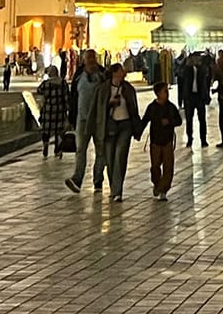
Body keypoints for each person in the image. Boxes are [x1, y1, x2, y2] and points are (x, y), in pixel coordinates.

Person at [66, 50, 111, 194]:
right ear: (83, 60)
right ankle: (77, 179)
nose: (91, 60)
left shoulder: (103, 75)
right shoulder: (79, 75)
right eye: (88, 58)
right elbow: (73, 96)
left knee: (101, 151)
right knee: (80, 150)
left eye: (93, 57)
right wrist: (71, 117)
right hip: (82, 119)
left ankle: (98, 180)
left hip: (99, 119)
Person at [101, 62, 142, 202]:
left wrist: (137, 126)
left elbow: (134, 108)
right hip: (109, 126)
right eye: (120, 71)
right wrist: (110, 103)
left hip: (125, 124)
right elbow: (99, 108)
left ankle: (118, 190)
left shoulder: (128, 89)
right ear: (114, 73)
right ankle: (113, 187)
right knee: (110, 158)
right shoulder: (104, 89)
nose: (123, 72)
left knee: (120, 156)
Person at [143, 80, 185, 199]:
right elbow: (145, 120)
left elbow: (179, 121)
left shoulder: (171, 107)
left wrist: (170, 121)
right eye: (164, 91)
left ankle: (163, 189)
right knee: (155, 166)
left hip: (168, 140)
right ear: (158, 93)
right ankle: (157, 184)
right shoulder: (152, 107)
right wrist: (137, 132)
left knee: (168, 166)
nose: (167, 93)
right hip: (155, 141)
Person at [175, 50, 210, 148]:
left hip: (199, 97)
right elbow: (179, 73)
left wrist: (200, 66)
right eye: (194, 58)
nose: (196, 60)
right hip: (189, 97)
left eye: (198, 58)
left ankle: (203, 139)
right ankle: (189, 139)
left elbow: (207, 74)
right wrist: (186, 65)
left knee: (202, 119)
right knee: (189, 119)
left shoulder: (202, 68)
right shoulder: (186, 68)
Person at [37, 62, 70, 158]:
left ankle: (45, 145)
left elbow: (39, 91)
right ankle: (58, 149)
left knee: (46, 130)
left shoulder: (46, 84)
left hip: (48, 110)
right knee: (59, 131)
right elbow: (66, 97)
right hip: (60, 110)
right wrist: (67, 109)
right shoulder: (63, 83)